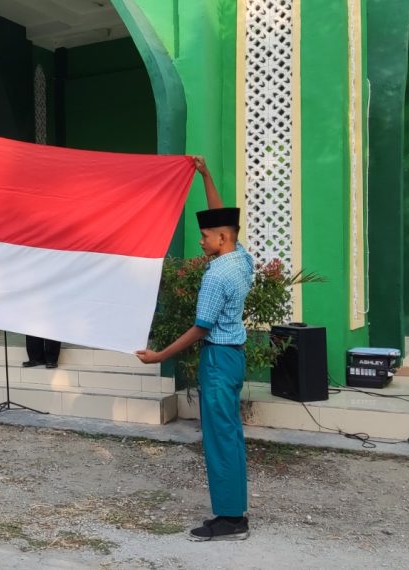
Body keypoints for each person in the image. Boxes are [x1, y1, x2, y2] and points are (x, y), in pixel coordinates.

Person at [136, 156, 253, 542]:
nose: (200, 240)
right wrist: (206, 174)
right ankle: (236, 511)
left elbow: (201, 327)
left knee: (219, 437)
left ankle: (230, 519)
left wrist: (159, 356)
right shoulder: (242, 259)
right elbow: (223, 217)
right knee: (230, 435)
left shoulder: (217, 274)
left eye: (205, 236)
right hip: (234, 356)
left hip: (218, 359)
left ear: (221, 239)